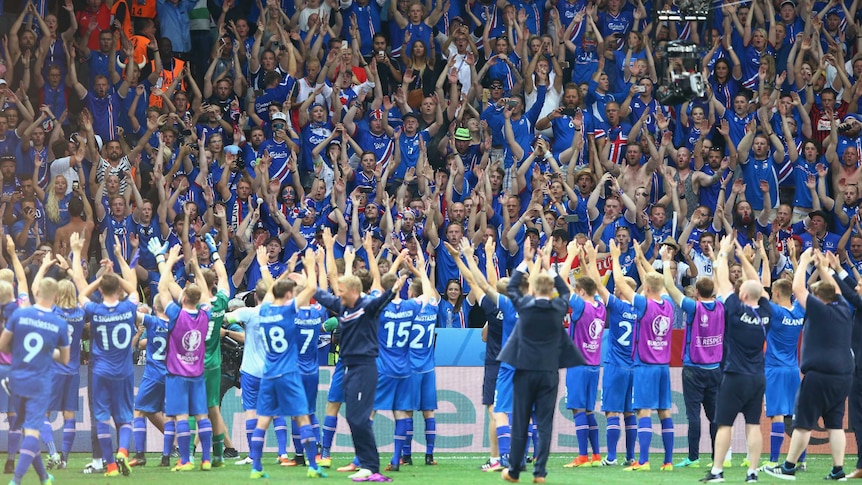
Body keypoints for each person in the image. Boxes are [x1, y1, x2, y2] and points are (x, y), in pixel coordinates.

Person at [314, 236, 403, 483]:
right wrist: (308, 283)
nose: (338, 294)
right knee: (354, 417)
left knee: (360, 418)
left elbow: (381, 299)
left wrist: (394, 289)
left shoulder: (367, 305)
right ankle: (366, 465)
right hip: (350, 369)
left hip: (365, 368)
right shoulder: (344, 306)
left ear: (353, 291)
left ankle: (372, 468)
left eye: (342, 291)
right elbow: (324, 296)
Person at [498, 237, 583, 484]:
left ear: (534, 289)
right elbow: (566, 290)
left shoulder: (525, 305)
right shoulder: (558, 307)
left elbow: (512, 288)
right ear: (551, 290)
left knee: (520, 421)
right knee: (544, 423)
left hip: (524, 370)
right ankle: (540, 473)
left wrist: (526, 262)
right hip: (549, 372)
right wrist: (549, 267)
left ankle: (514, 471)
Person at [764, 249, 853, 481]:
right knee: (835, 424)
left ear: (820, 299)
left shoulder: (820, 309)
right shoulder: (843, 307)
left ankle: (788, 467)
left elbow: (798, 289)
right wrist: (824, 268)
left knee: (802, 422)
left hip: (819, 374)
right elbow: (834, 290)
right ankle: (838, 469)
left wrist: (802, 261)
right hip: (843, 374)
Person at [248, 247, 326, 480]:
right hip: (289, 373)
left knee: (263, 420)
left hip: (269, 374)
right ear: (289, 296)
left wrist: (263, 266)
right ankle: (313, 465)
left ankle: (256, 468)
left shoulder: (264, 311)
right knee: (302, 417)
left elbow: (270, 291)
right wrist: (311, 265)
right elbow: (312, 289)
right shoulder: (290, 311)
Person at [700, 235, 771, 484]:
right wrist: (743, 258)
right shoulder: (766, 313)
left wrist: (722, 253)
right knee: (753, 425)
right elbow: (761, 285)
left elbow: (720, 278)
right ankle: (752, 472)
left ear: (741, 295)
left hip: (734, 376)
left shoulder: (734, 308)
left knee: (724, 424)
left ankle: (718, 471)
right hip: (757, 377)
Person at [71, 232, 139, 478]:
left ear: (101, 289)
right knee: (125, 416)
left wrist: (97, 276)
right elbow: (133, 289)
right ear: (119, 289)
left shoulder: (96, 310)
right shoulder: (129, 307)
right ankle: (122, 451)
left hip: (100, 371)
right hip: (124, 371)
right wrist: (117, 268)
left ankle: (109, 465)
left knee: (101, 417)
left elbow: (81, 292)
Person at [610, 241, 675, 472]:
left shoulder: (644, 304)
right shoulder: (668, 304)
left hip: (645, 366)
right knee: (665, 412)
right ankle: (668, 462)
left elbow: (619, 283)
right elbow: (659, 282)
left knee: (643, 411)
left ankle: (644, 461)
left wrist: (616, 257)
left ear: (645, 288)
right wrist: (641, 262)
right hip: (663, 367)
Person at [0, 276, 70, 485]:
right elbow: (65, 359)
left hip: (16, 379)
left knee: (27, 428)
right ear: (56, 297)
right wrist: (48, 352)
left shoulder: (20, 314)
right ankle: (16, 480)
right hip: (39, 382)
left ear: (36, 292)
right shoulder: (59, 322)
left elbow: (3, 346)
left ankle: (43, 477)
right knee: (32, 431)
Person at [659, 246, 724, 470]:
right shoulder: (722, 306)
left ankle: (693, 458)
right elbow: (721, 283)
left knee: (693, 415)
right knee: (715, 416)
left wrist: (666, 262)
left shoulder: (693, 307)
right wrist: (716, 260)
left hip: (693, 369)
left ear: (696, 291)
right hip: (715, 369)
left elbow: (669, 286)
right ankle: (718, 457)